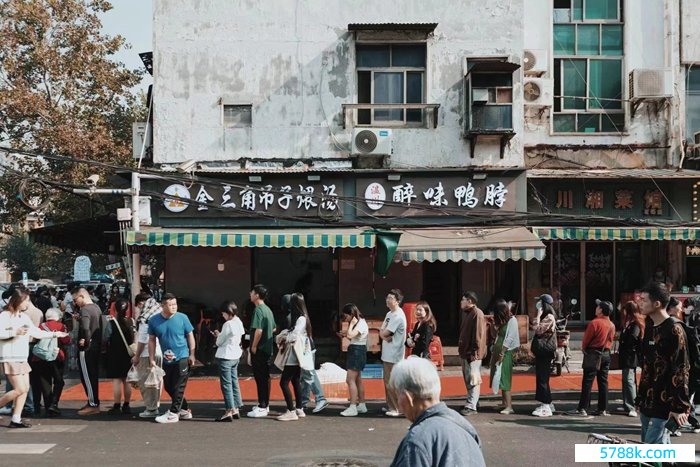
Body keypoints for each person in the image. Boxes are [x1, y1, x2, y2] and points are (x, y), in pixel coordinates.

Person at [389, 356, 486, 467]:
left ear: (408, 397)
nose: (399, 406)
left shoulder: (418, 441)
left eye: (398, 396)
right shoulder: (465, 427)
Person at [0, 288, 68, 428]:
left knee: (24, 389)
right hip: (10, 357)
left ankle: (16, 419)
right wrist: (15, 332)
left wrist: (55, 335)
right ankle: (14, 417)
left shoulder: (23, 317)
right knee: (20, 389)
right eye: (26, 301)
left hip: (22, 356)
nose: (28, 304)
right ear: (18, 300)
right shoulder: (5, 316)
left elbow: (36, 332)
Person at [635, 282, 691, 444]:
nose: (640, 303)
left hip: (665, 403)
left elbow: (681, 369)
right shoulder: (650, 326)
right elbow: (647, 366)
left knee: (652, 451)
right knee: (652, 452)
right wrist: (640, 398)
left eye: (644, 300)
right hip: (648, 402)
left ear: (657, 303)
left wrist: (679, 407)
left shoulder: (674, 329)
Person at [148, 293, 196, 424]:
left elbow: (190, 335)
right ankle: (184, 409)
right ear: (163, 306)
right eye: (170, 305)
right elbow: (151, 340)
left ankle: (173, 413)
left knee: (178, 385)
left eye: (175, 304)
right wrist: (151, 359)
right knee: (169, 386)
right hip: (166, 358)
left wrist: (192, 353)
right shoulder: (154, 321)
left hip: (182, 356)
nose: (174, 307)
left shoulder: (183, 318)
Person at [567, 299, 616, 417]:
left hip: (593, 353)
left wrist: (584, 349)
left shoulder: (595, 323)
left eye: (598, 307)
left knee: (588, 382)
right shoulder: (611, 324)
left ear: (601, 310)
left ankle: (582, 408)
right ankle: (602, 408)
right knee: (603, 382)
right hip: (606, 354)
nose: (596, 308)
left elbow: (586, 340)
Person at [275, 293, 313, 421]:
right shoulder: (304, 317)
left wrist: (285, 336)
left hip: (293, 353)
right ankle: (299, 408)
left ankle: (291, 410)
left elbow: (293, 336)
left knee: (284, 382)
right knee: (295, 380)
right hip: (298, 353)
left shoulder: (300, 319)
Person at [30, 307, 71, 417]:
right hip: (56, 357)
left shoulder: (41, 326)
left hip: (40, 358)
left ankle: (48, 407)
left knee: (45, 382)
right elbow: (66, 340)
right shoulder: (61, 326)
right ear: (58, 317)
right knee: (59, 381)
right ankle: (54, 404)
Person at [131, 294, 163, 419]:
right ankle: (156, 404)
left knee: (146, 383)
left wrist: (136, 356)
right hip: (159, 352)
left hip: (147, 354)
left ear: (140, 303)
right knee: (157, 380)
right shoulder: (159, 315)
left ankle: (151, 408)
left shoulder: (146, 318)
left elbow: (143, 340)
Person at [247, 284, 276, 418]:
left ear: (257, 295)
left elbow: (258, 330)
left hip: (260, 349)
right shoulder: (268, 310)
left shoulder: (258, 310)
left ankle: (262, 405)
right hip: (268, 348)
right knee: (265, 377)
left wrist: (253, 346)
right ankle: (264, 404)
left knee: (261, 378)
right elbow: (274, 328)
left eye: (252, 292)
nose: (250, 294)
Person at [73, 287, 103, 415]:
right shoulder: (96, 308)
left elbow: (86, 328)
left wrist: (85, 340)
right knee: (93, 375)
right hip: (96, 345)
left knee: (87, 376)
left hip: (87, 348)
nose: (75, 302)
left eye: (75, 299)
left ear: (82, 296)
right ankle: (93, 401)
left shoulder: (84, 309)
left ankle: (93, 403)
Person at [213, 300, 245, 422]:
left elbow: (219, 342)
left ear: (228, 312)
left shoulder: (228, 324)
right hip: (236, 355)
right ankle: (236, 407)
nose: (223, 316)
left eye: (223, 314)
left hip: (226, 355)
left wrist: (218, 335)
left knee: (226, 384)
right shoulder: (238, 322)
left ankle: (229, 409)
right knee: (234, 381)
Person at [458, 291, 486, 416]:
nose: (461, 302)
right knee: (469, 378)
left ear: (469, 301)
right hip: (467, 352)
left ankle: (471, 405)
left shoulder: (477, 313)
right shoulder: (470, 313)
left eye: (463, 299)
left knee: (473, 379)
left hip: (472, 353)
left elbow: (478, 335)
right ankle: (473, 401)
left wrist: (473, 352)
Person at [380, 289, 407, 417]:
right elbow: (383, 332)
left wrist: (383, 334)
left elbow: (385, 333)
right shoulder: (389, 314)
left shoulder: (397, 316)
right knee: (388, 381)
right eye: (387, 297)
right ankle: (391, 405)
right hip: (387, 353)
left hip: (394, 354)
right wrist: (383, 334)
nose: (387, 299)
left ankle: (397, 408)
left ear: (397, 301)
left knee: (393, 382)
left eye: (390, 298)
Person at [338, 303, 369, 417]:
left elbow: (351, 335)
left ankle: (352, 407)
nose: (345, 319)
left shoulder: (359, 323)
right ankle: (361, 404)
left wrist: (351, 325)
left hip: (357, 351)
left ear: (351, 314)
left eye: (346, 316)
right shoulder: (360, 323)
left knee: (350, 379)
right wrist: (345, 333)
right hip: (357, 350)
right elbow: (352, 335)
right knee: (357, 380)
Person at [105, 298, 135, 415]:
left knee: (117, 380)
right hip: (129, 353)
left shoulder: (111, 323)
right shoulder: (131, 321)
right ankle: (126, 405)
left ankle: (117, 405)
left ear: (115, 309)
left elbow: (106, 337)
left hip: (115, 353)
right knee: (127, 380)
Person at [530, 294, 556, 417]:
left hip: (545, 351)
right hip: (543, 351)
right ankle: (548, 403)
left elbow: (537, 329)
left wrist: (538, 316)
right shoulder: (547, 316)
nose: (538, 304)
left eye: (540, 302)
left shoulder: (549, 317)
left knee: (542, 378)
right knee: (542, 377)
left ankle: (545, 405)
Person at [490, 300, 518, 415]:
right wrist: (492, 325)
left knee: (504, 377)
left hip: (505, 352)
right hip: (498, 351)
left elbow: (510, 338)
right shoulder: (503, 321)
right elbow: (494, 335)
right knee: (498, 376)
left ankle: (509, 406)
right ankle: (503, 403)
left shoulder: (512, 321)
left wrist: (502, 352)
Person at [617, 301, 644, 418]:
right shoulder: (630, 323)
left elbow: (633, 338)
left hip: (630, 356)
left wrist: (624, 341)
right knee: (626, 379)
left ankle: (632, 405)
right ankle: (627, 403)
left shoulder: (635, 324)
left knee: (628, 380)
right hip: (627, 355)